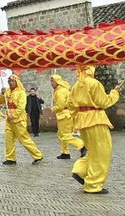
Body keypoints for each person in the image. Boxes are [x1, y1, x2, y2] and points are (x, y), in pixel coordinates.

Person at [68, 65, 119, 194]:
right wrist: (115, 93)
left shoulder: (75, 86)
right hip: (96, 120)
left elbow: (71, 106)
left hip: (83, 122)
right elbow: (104, 102)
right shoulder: (94, 83)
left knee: (93, 151)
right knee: (102, 153)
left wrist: (78, 120)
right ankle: (93, 185)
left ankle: (80, 170)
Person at [0, 75, 43, 165]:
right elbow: (0, 101)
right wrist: (2, 93)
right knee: (9, 139)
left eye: (12, 81)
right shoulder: (7, 91)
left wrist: (13, 115)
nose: (10, 82)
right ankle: (11, 158)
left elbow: (21, 107)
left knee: (24, 139)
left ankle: (38, 156)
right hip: (9, 120)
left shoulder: (21, 92)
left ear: (16, 81)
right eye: (9, 81)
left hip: (18, 120)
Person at [50, 75, 85, 160]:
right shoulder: (62, 89)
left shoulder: (60, 92)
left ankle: (82, 146)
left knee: (65, 136)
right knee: (61, 134)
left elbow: (60, 106)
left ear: (57, 81)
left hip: (64, 115)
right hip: (66, 114)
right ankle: (65, 152)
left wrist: (53, 108)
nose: (51, 83)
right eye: (51, 81)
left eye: (52, 81)